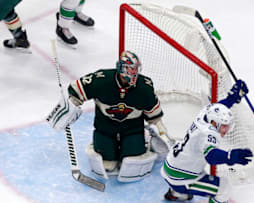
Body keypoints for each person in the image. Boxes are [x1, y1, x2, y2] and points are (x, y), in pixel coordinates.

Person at [47, 50, 169, 182]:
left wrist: (160, 128)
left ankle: (146, 138)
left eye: (135, 69)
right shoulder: (102, 80)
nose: (134, 73)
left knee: (132, 158)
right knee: (107, 162)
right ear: (121, 68)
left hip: (132, 128)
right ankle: (111, 148)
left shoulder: (144, 87)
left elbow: (153, 112)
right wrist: (71, 105)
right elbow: (78, 88)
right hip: (105, 127)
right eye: (130, 69)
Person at [161, 79, 254, 203]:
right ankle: (179, 190)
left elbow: (219, 107)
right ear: (214, 123)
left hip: (170, 166)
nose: (226, 129)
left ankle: (176, 193)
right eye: (224, 125)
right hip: (181, 178)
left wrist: (233, 97)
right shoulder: (208, 133)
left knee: (196, 166)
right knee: (223, 188)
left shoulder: (205, 115)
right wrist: (230, 156)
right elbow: (211, 156)